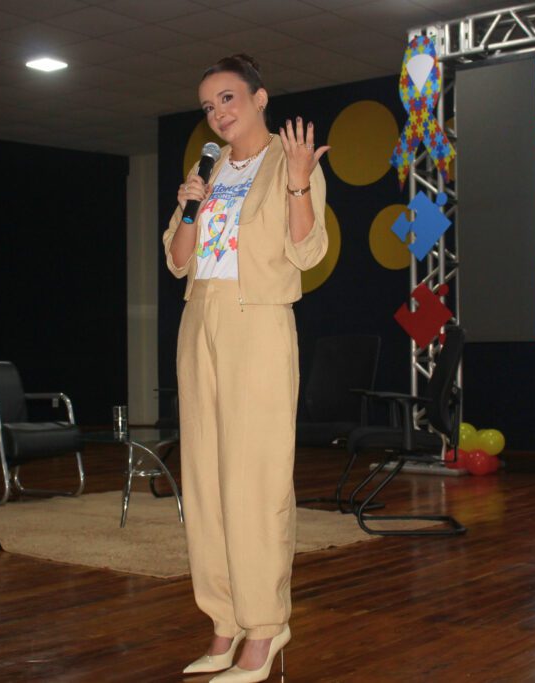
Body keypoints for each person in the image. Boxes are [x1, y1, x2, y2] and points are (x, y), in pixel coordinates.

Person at [162, 54, 329, 682]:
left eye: (228, 98)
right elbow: (178, 260)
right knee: (205, 481)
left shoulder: (289, 163)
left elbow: (307, 252)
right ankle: (224, 621)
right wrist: (190, 205)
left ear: (260, 98)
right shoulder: (204, 170)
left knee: (254, 480)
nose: (218, 114)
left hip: (257, 319)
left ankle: (264, 626)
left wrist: (298, 183)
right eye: (209, 106)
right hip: (198, 319)